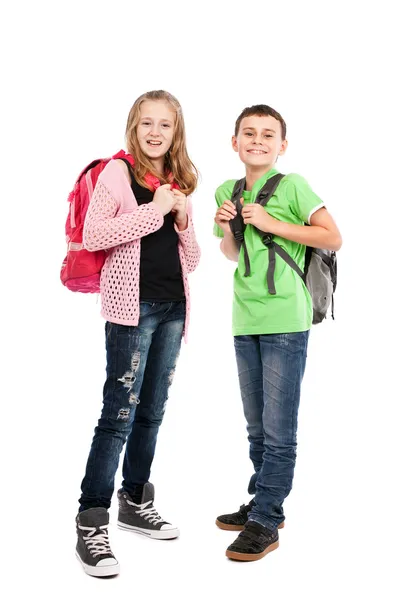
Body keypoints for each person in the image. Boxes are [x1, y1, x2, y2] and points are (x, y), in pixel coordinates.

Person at [75, 90, 200, 577]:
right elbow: (94, 235)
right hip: (133, 310)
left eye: (164, 125)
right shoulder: (117, 172)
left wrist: (183, 218)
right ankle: (91, 517)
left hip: (174, 308)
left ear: (175, 131)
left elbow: (191, 261)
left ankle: (135, 499)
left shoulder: (177, 180)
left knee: (151, 412)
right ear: (134, 126)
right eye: (146, 123)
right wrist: (156, 210)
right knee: (119, 414)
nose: (154, 132)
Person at [213, 104, 342, 562]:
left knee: (278, 427)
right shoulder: (225, 192)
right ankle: (263, 500)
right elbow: (232, 254)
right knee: (256, 426)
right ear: (234, 142)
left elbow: (332, 237)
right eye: (249, 133)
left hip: (286, 318)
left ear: (281, 145)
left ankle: (266, 519)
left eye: (268, 135)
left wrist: (271, 223)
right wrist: (229, 226)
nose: (258, 141)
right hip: (244, 318)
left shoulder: (293, 186)